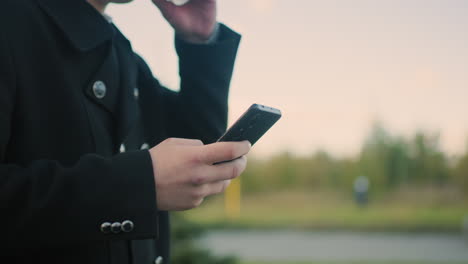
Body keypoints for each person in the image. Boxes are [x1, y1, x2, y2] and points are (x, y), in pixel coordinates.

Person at [0, 0, 250, 263]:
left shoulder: (121, 52)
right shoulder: (10, 21)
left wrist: (200, 40)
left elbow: (197, 144)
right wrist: (138, 185)